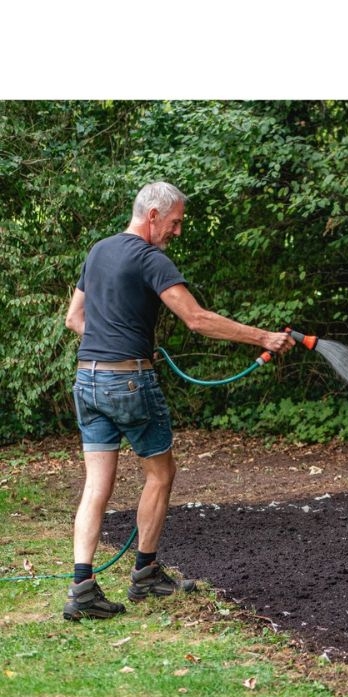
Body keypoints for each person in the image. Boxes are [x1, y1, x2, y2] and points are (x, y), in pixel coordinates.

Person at [62, 181, 294, 621]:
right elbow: (196, 319)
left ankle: (83, 588)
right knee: (161, 472)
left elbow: (76, 319)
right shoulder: (151, 258)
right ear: (152, 215)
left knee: (96, 485)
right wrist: (263, 337)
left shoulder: (98, 251)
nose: (177, 231)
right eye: (175, 222)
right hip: (128, 381)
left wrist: (111, 342)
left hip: (87, 379)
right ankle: (146, 574)